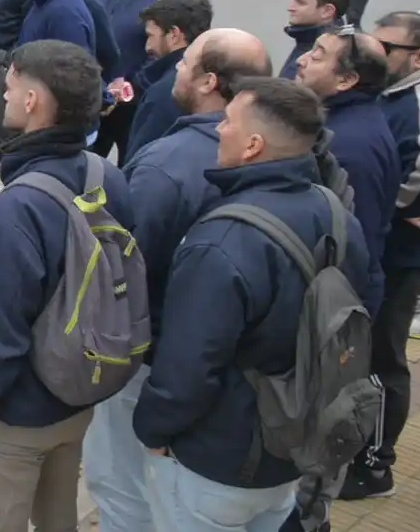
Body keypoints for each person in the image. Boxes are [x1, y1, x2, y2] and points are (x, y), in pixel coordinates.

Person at [133, 78, 371, 532]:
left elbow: (188, 365)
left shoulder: (221, 240)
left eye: (227, 122)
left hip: (218, 462)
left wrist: (153, 432)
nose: (219, 129)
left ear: (253, 145)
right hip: (294, 447)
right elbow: (364, 300)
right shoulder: (334, 209)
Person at [89, 28, 271, 532]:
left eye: (184, 61)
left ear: (209, 80)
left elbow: (123, 268)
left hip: (157, 364)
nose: (175, 68)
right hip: (245, 378)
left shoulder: (168, 163)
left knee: (125, 486)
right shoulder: (289, 152)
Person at [0, 39, 131, 532]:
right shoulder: (107, 176)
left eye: (10, 87)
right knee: (59, 517)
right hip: (79, 390)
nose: (4, 96)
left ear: (32, 101)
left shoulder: (18, 206)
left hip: (17, 414)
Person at [358, 11, 420, 499]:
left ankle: (377, 466)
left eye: (386, 48)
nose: (375, 54)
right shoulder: (395, 87)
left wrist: (395, 204)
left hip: (404, 257)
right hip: (386, 246)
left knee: (386, 358)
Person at [295, 29, 399, 316]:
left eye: (316, 56)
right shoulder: (349, 121)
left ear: (346, 80)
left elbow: (355, 238)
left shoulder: (348, 147)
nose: (301, 61)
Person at [92, 0, 171, 160]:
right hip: (99, 93)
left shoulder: (161, 0)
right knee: (91, 159)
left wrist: (129, 88)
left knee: (129, 159)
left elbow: (160, 54)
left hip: (131, 104)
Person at [125, 0, 215, 161]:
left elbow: (142, 157)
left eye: (151, 36)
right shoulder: (214, 76)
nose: (147, 46)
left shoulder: (166, 91)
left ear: (174, 35)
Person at [281, 0, 351, 78]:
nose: (290, 8)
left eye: (300, 2)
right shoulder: (307, 39)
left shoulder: (328, 54)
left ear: (327, 11)